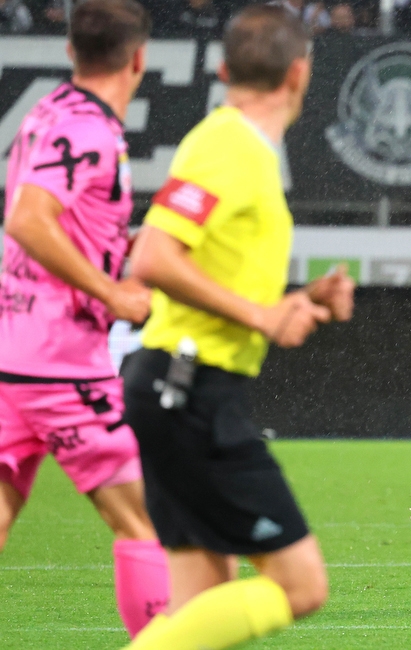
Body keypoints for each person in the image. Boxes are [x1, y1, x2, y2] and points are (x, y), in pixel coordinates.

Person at [119, 5, 354, 649]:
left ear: (223, 70)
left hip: (176, 383)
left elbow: (207, 274)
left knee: (207, 605)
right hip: (189, 388)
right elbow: (153, 256)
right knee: (302, 586)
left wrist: (300, 299)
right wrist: (264, 315)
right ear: (300, 74)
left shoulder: (232, 144)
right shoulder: (232, 146)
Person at [0, 0, 168, 638]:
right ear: (139, 59)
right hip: (59, 364)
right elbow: (27, 218)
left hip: (10, 351)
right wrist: (114, 292)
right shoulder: (89, 132)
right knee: (143, 524)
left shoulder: (48, 112)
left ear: (71, 52)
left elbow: (55, 222)